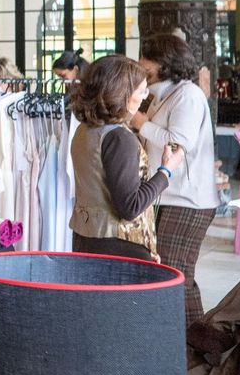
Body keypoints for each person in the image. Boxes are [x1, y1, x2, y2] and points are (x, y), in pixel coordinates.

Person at [134, 34, 217, 325]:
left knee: (177, 274)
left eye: (147, 59)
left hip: (188, 199)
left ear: (165, 62)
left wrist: (141, 124)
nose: (141, 64)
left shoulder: (188, 95)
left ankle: (196, 342)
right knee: (166, 271)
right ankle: (179, 338)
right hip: (169, 195)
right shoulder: (164, 95)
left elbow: (178, 143)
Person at [68, 54, 182, 258]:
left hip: (86, 238)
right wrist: (165, 171)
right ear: (122, 93)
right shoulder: (119, 138)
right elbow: (130, 207)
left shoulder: (84, 130)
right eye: (142, 91)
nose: (145, 97)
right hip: (118, 246)